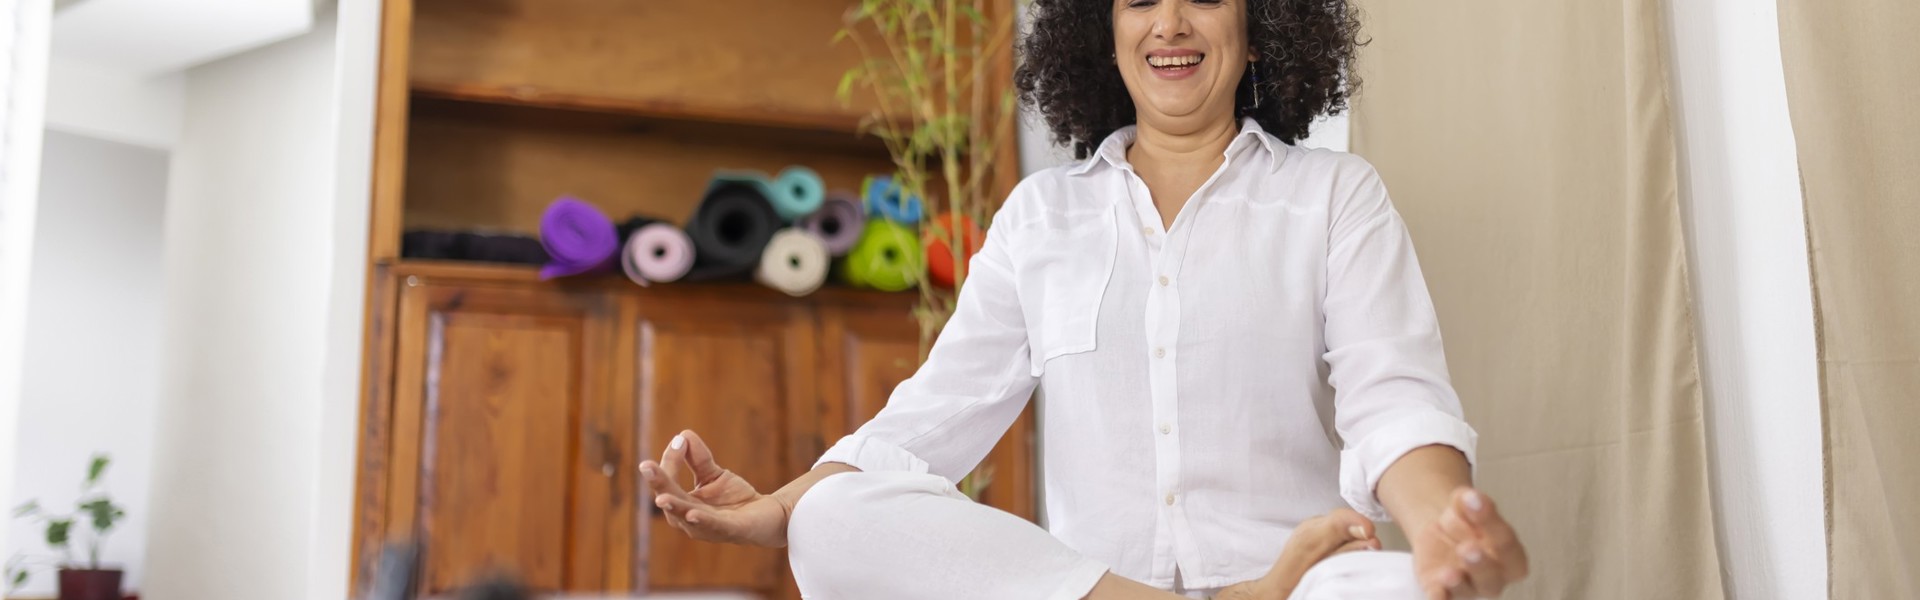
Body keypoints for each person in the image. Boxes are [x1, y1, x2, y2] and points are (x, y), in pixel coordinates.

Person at [640, 0, 1529, 598]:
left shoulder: (1333, 194)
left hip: (1298, 577)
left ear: (1259, 28)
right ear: (1103, 34)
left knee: (1389, 588)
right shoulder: (1042, 215)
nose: (1169, 22)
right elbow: (924, 424)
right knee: (834, 519)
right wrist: (782, 509)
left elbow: (1393, 399)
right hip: (1094, 590)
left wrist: (1443, 529)